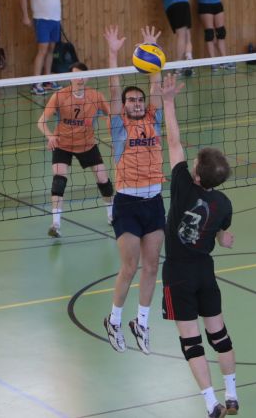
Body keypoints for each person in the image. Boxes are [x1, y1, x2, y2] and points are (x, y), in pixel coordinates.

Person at [160, 79, 239, 417]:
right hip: (205, 273)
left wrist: (168, 102)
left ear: (195, 174)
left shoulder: (181, 185)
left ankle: (211, 403)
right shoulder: (224, 203)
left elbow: (173, 141)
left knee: (191, 342)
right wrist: (223, 238)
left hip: (178, 273)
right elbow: (221, 232)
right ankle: (232, 394)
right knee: (219, 335)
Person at [102, 25, 167, 356]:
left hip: (154, 201)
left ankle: (141, 322)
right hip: (127, 203)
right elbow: (114, 89)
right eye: (132, 100)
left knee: (152, 266)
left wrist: (152, 51)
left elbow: (156, 86)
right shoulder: (118, 124)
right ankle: (113, 320)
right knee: (129, 267)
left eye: (140, 100)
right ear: (125, 106)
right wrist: (113, 53)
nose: (137, 103)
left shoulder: (154, 119)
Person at [37, 61, 113, 236]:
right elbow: (41, 122)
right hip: (62, 144)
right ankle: (55, 224)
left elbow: (112, 115)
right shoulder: (59, 96)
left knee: (103, 180)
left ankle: (111, 214)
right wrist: (50, 137)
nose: (79, 79)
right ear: (69, 78)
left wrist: (112, 127)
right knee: (59, 180)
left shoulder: (95, 96)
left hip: (87, 143)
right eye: (75, 75)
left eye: (82, 76)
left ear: (88, 77)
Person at [21, 0, 63, 96]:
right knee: (42, 50)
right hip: (41, 20)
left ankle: (48, 80)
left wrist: (58, 19)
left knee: (51, 49)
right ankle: (36, 83)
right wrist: (25, 16)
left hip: (55, 20)